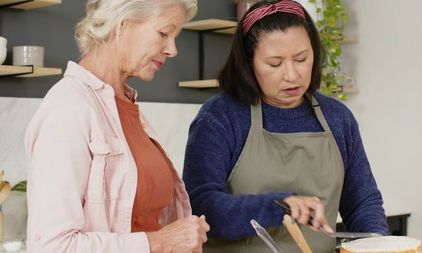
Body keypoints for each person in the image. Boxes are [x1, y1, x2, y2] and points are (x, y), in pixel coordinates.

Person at [182, 0, 389, 252]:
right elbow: (202, 208)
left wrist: (379, 245)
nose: (292, 75)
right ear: (249, 64)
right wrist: (278, 206)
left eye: (301, 59)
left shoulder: (337, 117)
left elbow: (362, 203)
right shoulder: (221, 116)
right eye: (275, 63)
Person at [24, 0, 210, 252]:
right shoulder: (68, 106)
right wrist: (161, 241)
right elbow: (53, 246)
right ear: (123, 24)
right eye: (164, 33)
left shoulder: (123, 105)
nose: (172, 50)